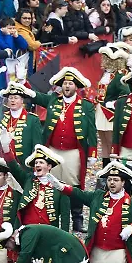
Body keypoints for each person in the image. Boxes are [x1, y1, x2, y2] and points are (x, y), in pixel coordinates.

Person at [28, 67, 96, 231]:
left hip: (73, 151)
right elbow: (37, 96)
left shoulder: (85, 105)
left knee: (74, 185)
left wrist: (92, 153)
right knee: (50, 182)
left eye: (70, 84)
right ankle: (51, 215)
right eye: (65, 83)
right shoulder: (53, 100)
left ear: (76, 87)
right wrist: (26, 89)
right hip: (52, 150)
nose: (67, 86)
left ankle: (77, 219)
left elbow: (92, 130)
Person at [3, 143, 72, 232]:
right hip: (27, 230)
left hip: (48, 233)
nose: (37, 165)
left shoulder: (61, 187)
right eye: (36, 163)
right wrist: (6, 150)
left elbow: (65, 218)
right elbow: (14, 168)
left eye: (41, 162)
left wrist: (64, 239)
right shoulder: (28, 180)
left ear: (49, 166)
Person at [0, 83, 44, 165]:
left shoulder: (32, 119)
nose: (12, 100)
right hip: (2, 164)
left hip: (22, 166)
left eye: (16, 98)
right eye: (10, 98)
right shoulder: (2, 115)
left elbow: (37, 145)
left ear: (22, 100)